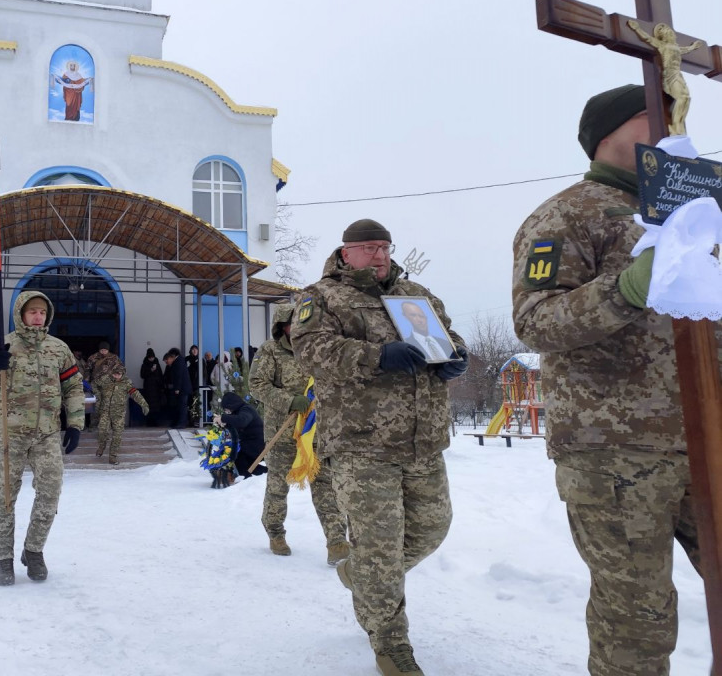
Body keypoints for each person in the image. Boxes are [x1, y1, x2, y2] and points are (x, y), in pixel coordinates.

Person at [512, 84, 711, 676]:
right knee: (638, 625)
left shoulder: (697, 215)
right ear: (609, 135)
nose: (672, 125)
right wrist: (625, 288)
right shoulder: (567, 214)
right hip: (616, 456)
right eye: (656, 114)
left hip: (706, 438)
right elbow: (535, 321)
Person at [291, 218, 468, 676]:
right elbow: (311, 351)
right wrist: (376, 357)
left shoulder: (416, 294)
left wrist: (456, 357)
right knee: (382, 547)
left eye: (385, 247)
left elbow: (448, 334)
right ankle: (391, 644)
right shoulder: (321, 297)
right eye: (369, 248)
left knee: (432, 528)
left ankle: (363, 574)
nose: (380, 255)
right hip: (362, 445)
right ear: (346, 252)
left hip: (423, 441)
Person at [0, 291, 84, 586]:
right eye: (32, 311)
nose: (37, 317)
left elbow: (73, 387)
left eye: (42, 313)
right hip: (11, 436)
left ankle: (34, 551)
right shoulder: (4, 345)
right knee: (4, 498)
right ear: (21, 313)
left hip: (46, 436)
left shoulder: (58, 349)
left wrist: (74, 425)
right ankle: (2, 559)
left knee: (50, 494)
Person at [249, 303, 348, 564]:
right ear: (283, 326)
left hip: (317, 433)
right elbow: (257, 385)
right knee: (278, 488)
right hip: (282, 435)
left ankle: (337, 542)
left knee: (327, 488)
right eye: (295, 323)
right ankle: (275, 532)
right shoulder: (270, 351)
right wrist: (289, 400)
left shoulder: (318, 351)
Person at [94, 370, 149, 465]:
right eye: (115, 374)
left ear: (122, 374)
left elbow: (135, 393)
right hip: (105, 412)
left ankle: (113, 457)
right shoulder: (105, 379)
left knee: (117, 435)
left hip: (119, 414)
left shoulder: (126, 382)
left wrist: (144, 404)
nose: (117, 376)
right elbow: (94, 385)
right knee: (102, 431)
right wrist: (98, 395)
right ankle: (101, 446)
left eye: (119, 374)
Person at [212, 392, 266, 478]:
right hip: (247, 444)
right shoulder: (237, 412)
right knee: (238, 457)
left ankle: (247, 477)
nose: (226, 411)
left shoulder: (247, 409)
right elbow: (235, 425)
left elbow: (242, 421)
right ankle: (261, 474)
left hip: (256, 445)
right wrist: (224, 424)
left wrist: (223, 418)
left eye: (226, 409)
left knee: (236, 455)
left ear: (232, 405)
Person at [163, 348, 192, 429]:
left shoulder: (178, 362)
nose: (167, 363)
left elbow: (178, 376)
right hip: (183, 388)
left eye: (166, 361)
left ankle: (182, 423)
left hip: (182, 389)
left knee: (182, 406)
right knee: (180, 406)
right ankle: (180, 422)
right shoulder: (179, 361)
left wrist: (177, 388)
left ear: (170, 357)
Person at [139, 348, 165, 427]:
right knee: (148, 406)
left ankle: (155, 422)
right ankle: (149, 422)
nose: (151, 359)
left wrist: (162, 387)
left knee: (156, 407)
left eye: (152, 357)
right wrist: (150, 370)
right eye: (150, 357)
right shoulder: (144, 365)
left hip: (157, 389)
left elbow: (161, 376)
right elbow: (142, 375)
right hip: (148, 389)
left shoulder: (157, 364)